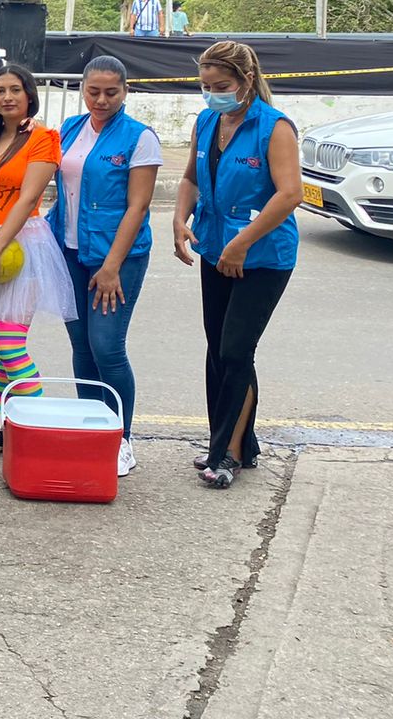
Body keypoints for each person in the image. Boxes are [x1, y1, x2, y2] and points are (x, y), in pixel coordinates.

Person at [172, 41, 301, 489]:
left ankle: (226, 453)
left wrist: (243, 243)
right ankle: (235, 443)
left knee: (235, 350)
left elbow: (289, 194)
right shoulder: (208, 121)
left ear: (247, 80)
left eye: (221, 85)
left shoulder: (274, 128)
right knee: (218, 351)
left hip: (262, 257)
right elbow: (190, 177)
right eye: (205, 86)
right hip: (215, 249)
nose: (211, 94)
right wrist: (178, 217)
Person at [46, 56, 161, 478]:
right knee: (80, 345)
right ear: (83, 89)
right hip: (70, 251)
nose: (101, 99)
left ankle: (121, 439)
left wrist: (112, 266)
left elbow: (139, 206)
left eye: (111, 92)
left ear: (125, 91)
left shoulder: (139, 137)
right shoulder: (71, 129)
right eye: (93, 91)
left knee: (107, 346)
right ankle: (92, 428)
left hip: (117, 258)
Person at [0, 64, 79, 456]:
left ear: (30, 94)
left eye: (15, 89)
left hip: (21, 248)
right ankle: (5, 426)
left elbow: (29, 197)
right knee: (3, 348)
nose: (7, 97)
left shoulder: (43, 137)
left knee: (10, 345)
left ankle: (37, 433)